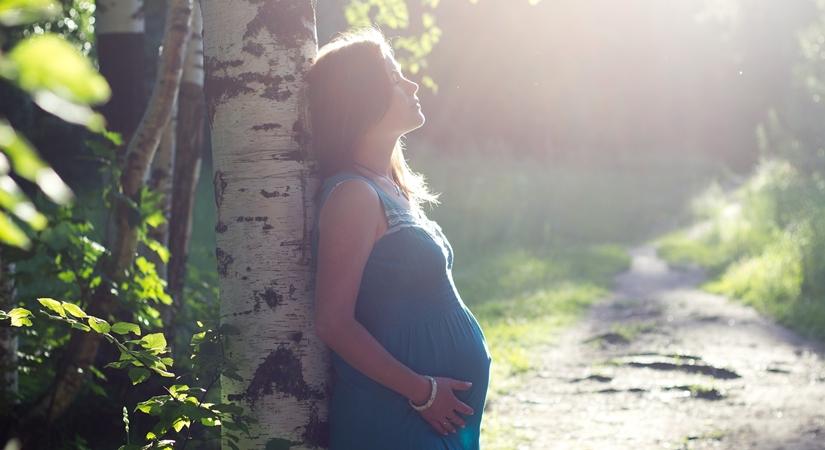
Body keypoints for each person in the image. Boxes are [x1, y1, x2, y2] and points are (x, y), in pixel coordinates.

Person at [307, 27, 492, 449]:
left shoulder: (389, 186)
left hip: (429, 419)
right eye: (394, 78)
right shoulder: (353, 195)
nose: (410, 84)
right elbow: (332, 321)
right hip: (395, 417)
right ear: (361, 100)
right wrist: (421, 391)